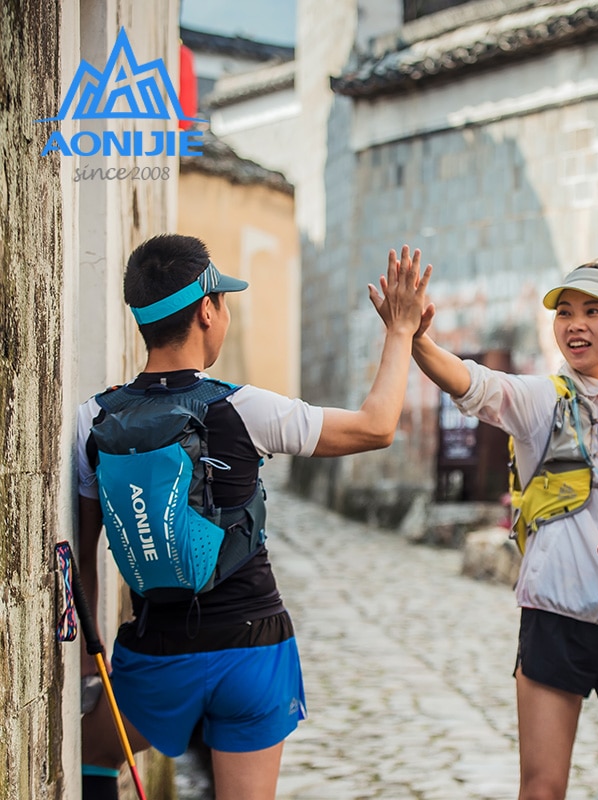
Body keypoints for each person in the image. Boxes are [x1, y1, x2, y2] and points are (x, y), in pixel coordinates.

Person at [77, 234, 431, 800]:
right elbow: (377, 426)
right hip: (254, 649)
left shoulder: (94, 419)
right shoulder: (244, 407)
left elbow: (84, 557)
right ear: (207, 311)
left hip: (158, 650)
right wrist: (399, 329)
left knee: (93, 752)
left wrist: (88, 664)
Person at [370, 262, 598, 800]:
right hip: (555, 617)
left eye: (594, 311)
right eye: (565, 312)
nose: (575, 324)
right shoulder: (544, 400)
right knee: (542, 788)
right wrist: (415, 339)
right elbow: (473, 382)